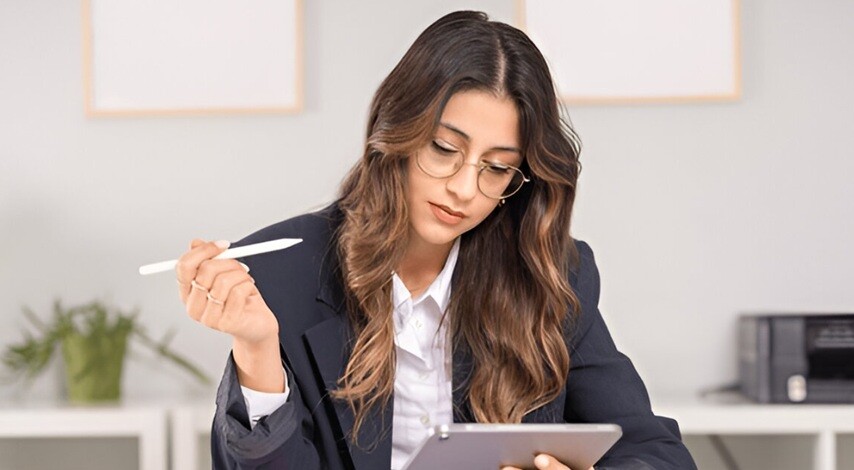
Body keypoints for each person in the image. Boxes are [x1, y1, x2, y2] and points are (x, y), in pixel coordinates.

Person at [175, 10, 696, 470]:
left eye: (497, 168)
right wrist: (257, 350)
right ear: (396, 128)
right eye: (445, 149)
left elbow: (656, 452)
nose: (465, 189)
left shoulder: (551, 274)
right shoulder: (279, 272)